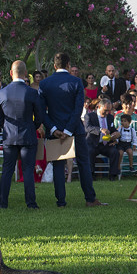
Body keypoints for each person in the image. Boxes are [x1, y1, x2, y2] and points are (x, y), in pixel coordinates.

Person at [41, 53, 105, 207]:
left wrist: (55, 129)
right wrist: (68, 130)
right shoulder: (76, 82)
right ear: (68, 65)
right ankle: (90, 199)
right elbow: (78, 110)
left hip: (55, 129)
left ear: (54, 66)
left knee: (58, 165)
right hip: (76, 129)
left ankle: (61, 201)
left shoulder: (45, 84)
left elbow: (42, 111)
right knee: (83, 163)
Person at [0, 60, 51, 209]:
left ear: (10, 73)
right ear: (26, 73)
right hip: (27, 134)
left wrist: (7, 128)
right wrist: (32, 127)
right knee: (28, 169)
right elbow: (39, 116)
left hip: (9, 135)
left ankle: (2, 203)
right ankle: (31, 203)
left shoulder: (2, 92)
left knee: (7, 170)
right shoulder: (32, 93)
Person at [86, 98, 122, 180]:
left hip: (105, 144)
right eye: (105, 110)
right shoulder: (90, 116)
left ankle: (113, 175)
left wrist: (117, 133)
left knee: (115, 152)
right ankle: (91, 175)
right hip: (93, 143)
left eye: (108, 111)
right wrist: (100, 129)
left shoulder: (110, 117)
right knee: (90, 152)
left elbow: (112, 129)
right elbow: (87, 128)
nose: (106, 113)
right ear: (98, 107)